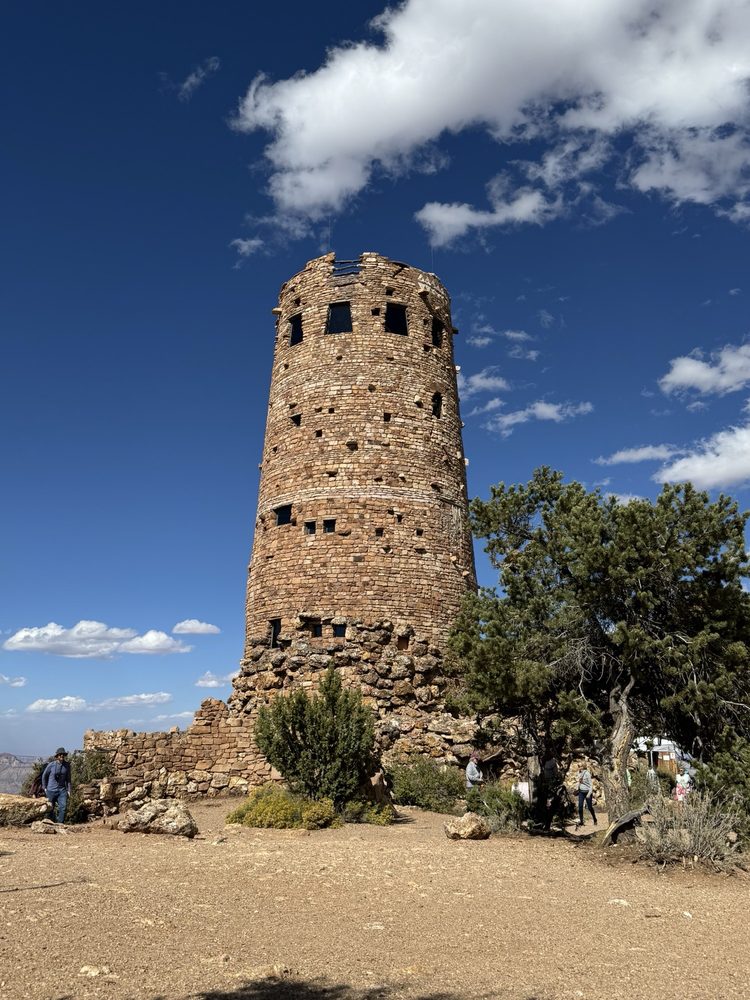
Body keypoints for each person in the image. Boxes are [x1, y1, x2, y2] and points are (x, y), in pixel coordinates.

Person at [41, 748, 72, 823]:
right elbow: (44, 776)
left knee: (63, 807)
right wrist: (44, 788)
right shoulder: (51, 765)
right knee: (50, 808)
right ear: (57, 756)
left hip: (62, 791)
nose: (62, 756)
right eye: (60, 754)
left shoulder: (67, 765)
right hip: (51, 790)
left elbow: (68, 779)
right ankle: (50, 823)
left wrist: (69, 790)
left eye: (63, 754)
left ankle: (60, 823)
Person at [576, 762, 597, 827]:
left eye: (580, 766)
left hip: (587, 792)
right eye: (578, 766)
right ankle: (581, 821)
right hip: (581, 792)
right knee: (580, 807)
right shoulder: (579, 773)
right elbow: (579, 782)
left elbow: (591, 785)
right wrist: (577, 789)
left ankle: (594, 819)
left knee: (590, 807)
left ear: (583, 767)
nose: (579, 767)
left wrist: (589, 793)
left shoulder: (587, 773)